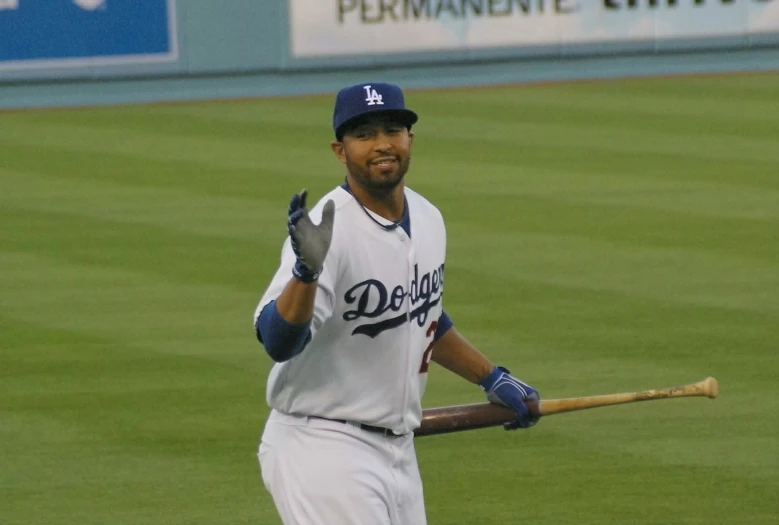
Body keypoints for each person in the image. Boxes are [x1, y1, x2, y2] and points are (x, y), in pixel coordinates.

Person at [253, 82, 540, 525]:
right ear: (339, 150)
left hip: (398, 449)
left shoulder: (428, 217)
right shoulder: (326, 231)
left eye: (393, 129)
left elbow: (421, 318)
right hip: (322, 449)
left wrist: (492, 376)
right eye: (364, 134)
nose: (382, 144)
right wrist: (306, 274)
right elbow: (279, 341)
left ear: (410, 139)